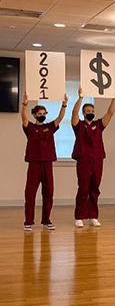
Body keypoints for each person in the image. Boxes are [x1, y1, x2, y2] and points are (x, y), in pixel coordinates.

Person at [71, 88, 115, 228]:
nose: (91, 113)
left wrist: (114, 98)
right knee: (83, 188)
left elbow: (110, 113)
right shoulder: (78, 125)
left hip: (97, 159)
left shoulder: (99, 124)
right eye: (88, 111)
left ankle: (93, 216)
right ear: (83, 113)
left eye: (92, 111)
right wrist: (80, 98)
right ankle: (79, 216)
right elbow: (73, 113)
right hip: (84, 160)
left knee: (95, 188)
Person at [21, 92, 68, 231]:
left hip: (48, 164)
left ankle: (46, 220)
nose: (42, 115)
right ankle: (28, 221)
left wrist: (64, 104)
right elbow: (23, 118)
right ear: (34, 115)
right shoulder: (30, 128)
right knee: (30, 194)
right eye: (39, 113)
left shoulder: (49, 127)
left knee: (48, 193)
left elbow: (60, 118)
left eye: (44, 113)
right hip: (34, 164)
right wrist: (25, 105)